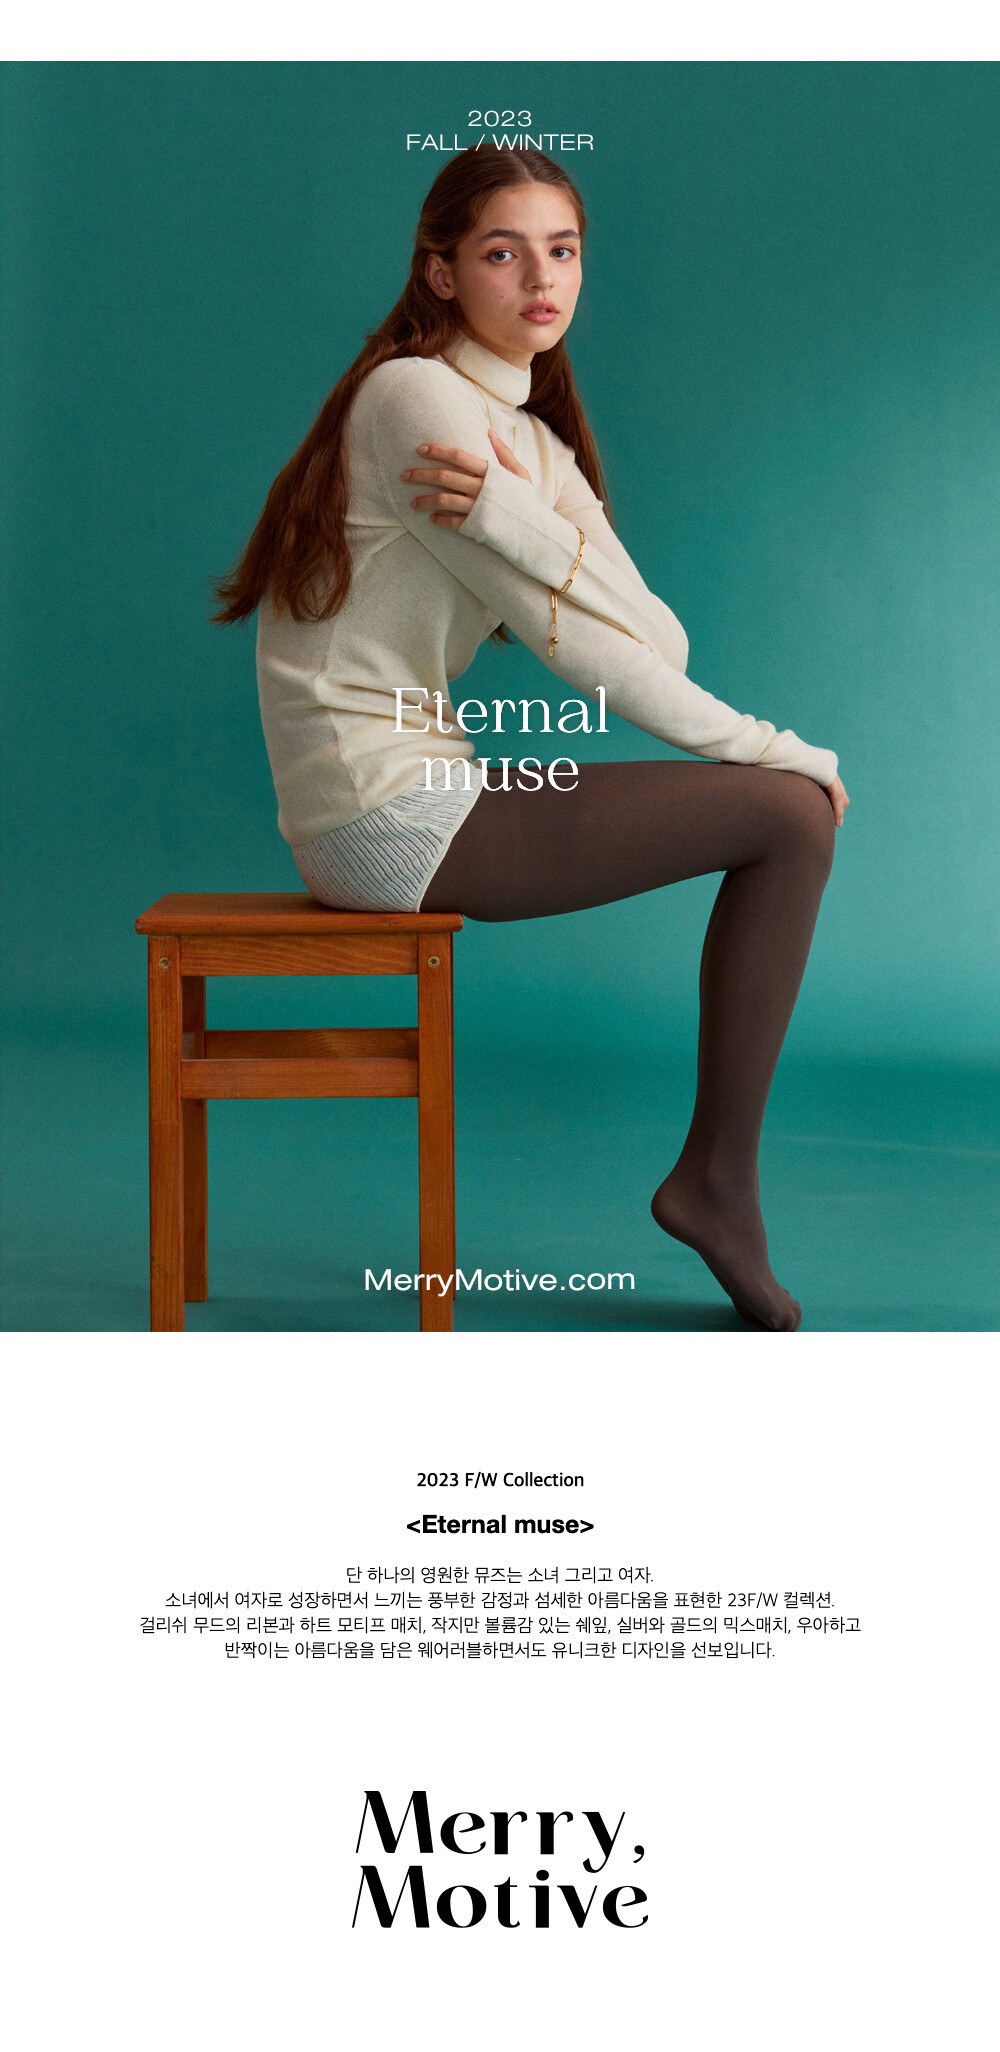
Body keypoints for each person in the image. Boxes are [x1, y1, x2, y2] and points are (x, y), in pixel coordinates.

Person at [213, 149, 849, 1333]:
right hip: (382, 814)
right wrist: (779, 749)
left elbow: (659, 639)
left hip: (418, 791)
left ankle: (715, 1181)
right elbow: (588, 662)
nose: (541, 279)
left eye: (562, 251)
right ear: (442, 273)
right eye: (502, 253)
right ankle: (715, 1185)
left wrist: (524, 515)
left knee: (785, 813)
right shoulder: (414, 402)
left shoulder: (527, 446)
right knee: (787, 815)